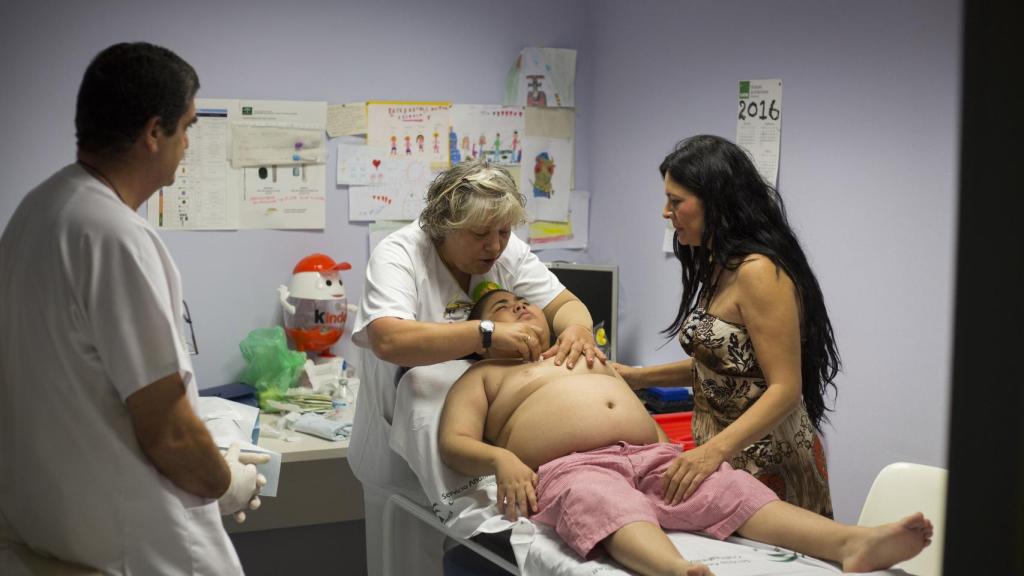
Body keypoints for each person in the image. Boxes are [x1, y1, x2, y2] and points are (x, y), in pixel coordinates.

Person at [0, 42, 267, 575]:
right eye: (187, 127)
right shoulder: (114, 235)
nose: (188, 145)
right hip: (138, 550)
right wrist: (226, 483)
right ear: (153, 132)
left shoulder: (36, 212)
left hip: (52, 534)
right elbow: (167, 429)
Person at [439, 290, 932, 576]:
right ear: (480, 339)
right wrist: (503, 461)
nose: (521, 306)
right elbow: (453, 443)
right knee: (599, 501)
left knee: (729, 486)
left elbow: (634, 406)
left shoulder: (580, 354)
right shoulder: (486, 376)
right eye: (503, 306)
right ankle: (674, 570)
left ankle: (849, 543)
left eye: (525, 300)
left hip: (651, 454)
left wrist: (662, 446)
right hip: (575, 467)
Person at [349, 158, 603, 575]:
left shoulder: (506, 249)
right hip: (403, 458)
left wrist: (578, 330)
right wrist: (484, 333)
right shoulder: (399, 255)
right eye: (481, 234)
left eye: (504, 232)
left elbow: (566, 305)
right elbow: (388, 339)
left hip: (488, 455)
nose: (496, 246)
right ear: (443, 228)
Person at [613, 134, 840, 517]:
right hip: (726, 459)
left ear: (715, 203)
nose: (665, 212)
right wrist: (635, 377)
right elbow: (721, 368)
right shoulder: (719, 264)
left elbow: (785, 388)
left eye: (675, 201)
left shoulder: (760, 272)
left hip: (770, 464)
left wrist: (711, 453)